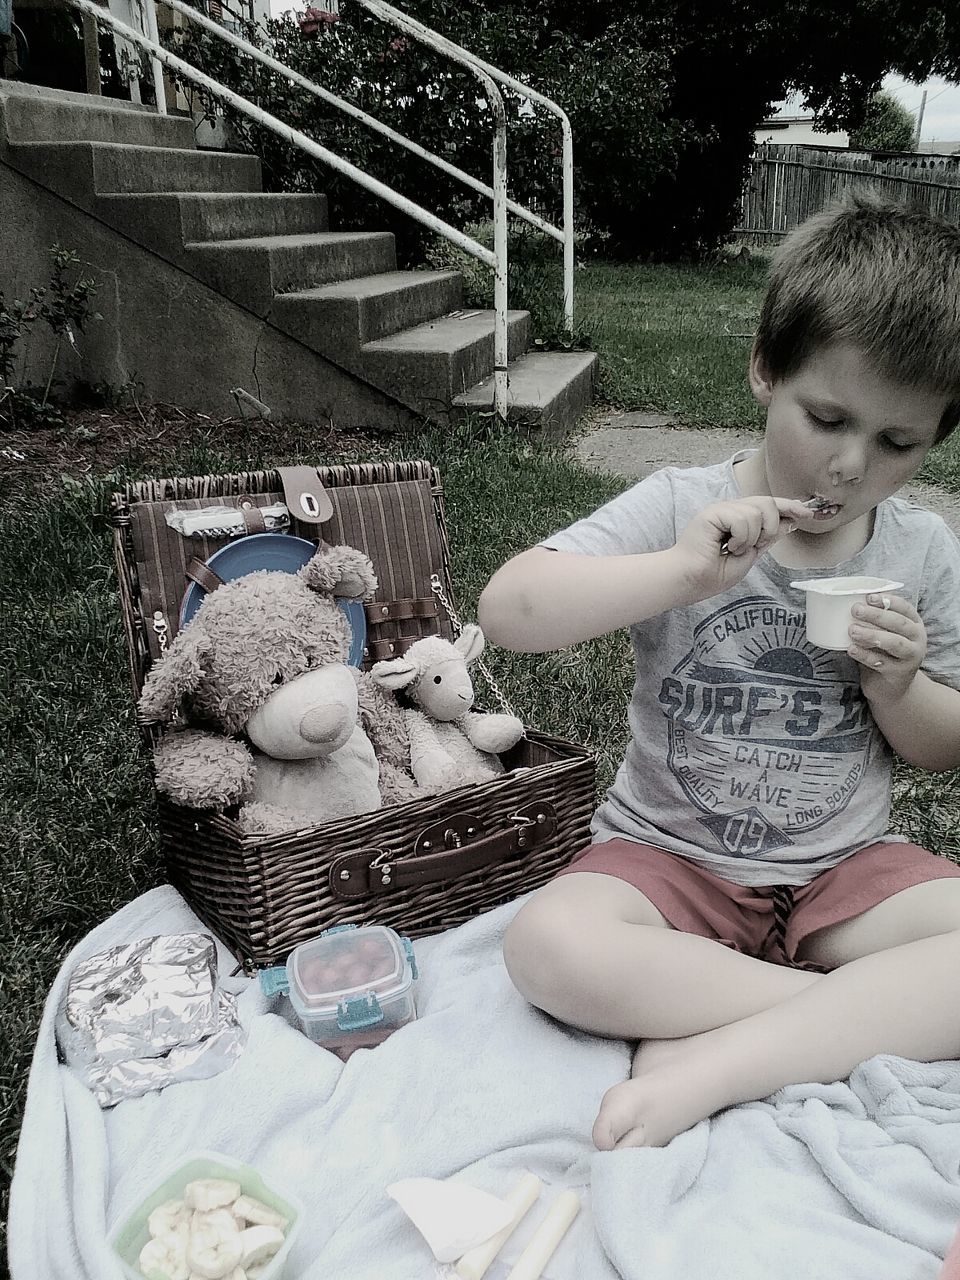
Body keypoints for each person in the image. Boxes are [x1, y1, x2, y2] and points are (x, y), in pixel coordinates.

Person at [477, 192, 960, 1151]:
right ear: (763, 371)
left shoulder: (922, 550)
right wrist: (684, 572)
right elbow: (509, 611)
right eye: (825, 417)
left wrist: (899, 687)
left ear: (935, 438)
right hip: (667, 859)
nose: (848, 466)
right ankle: (834, 1017)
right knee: (545, 945)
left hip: (842, 869)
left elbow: (944, 752)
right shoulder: (685, 509)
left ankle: (720, 1055)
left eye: (898, 443)